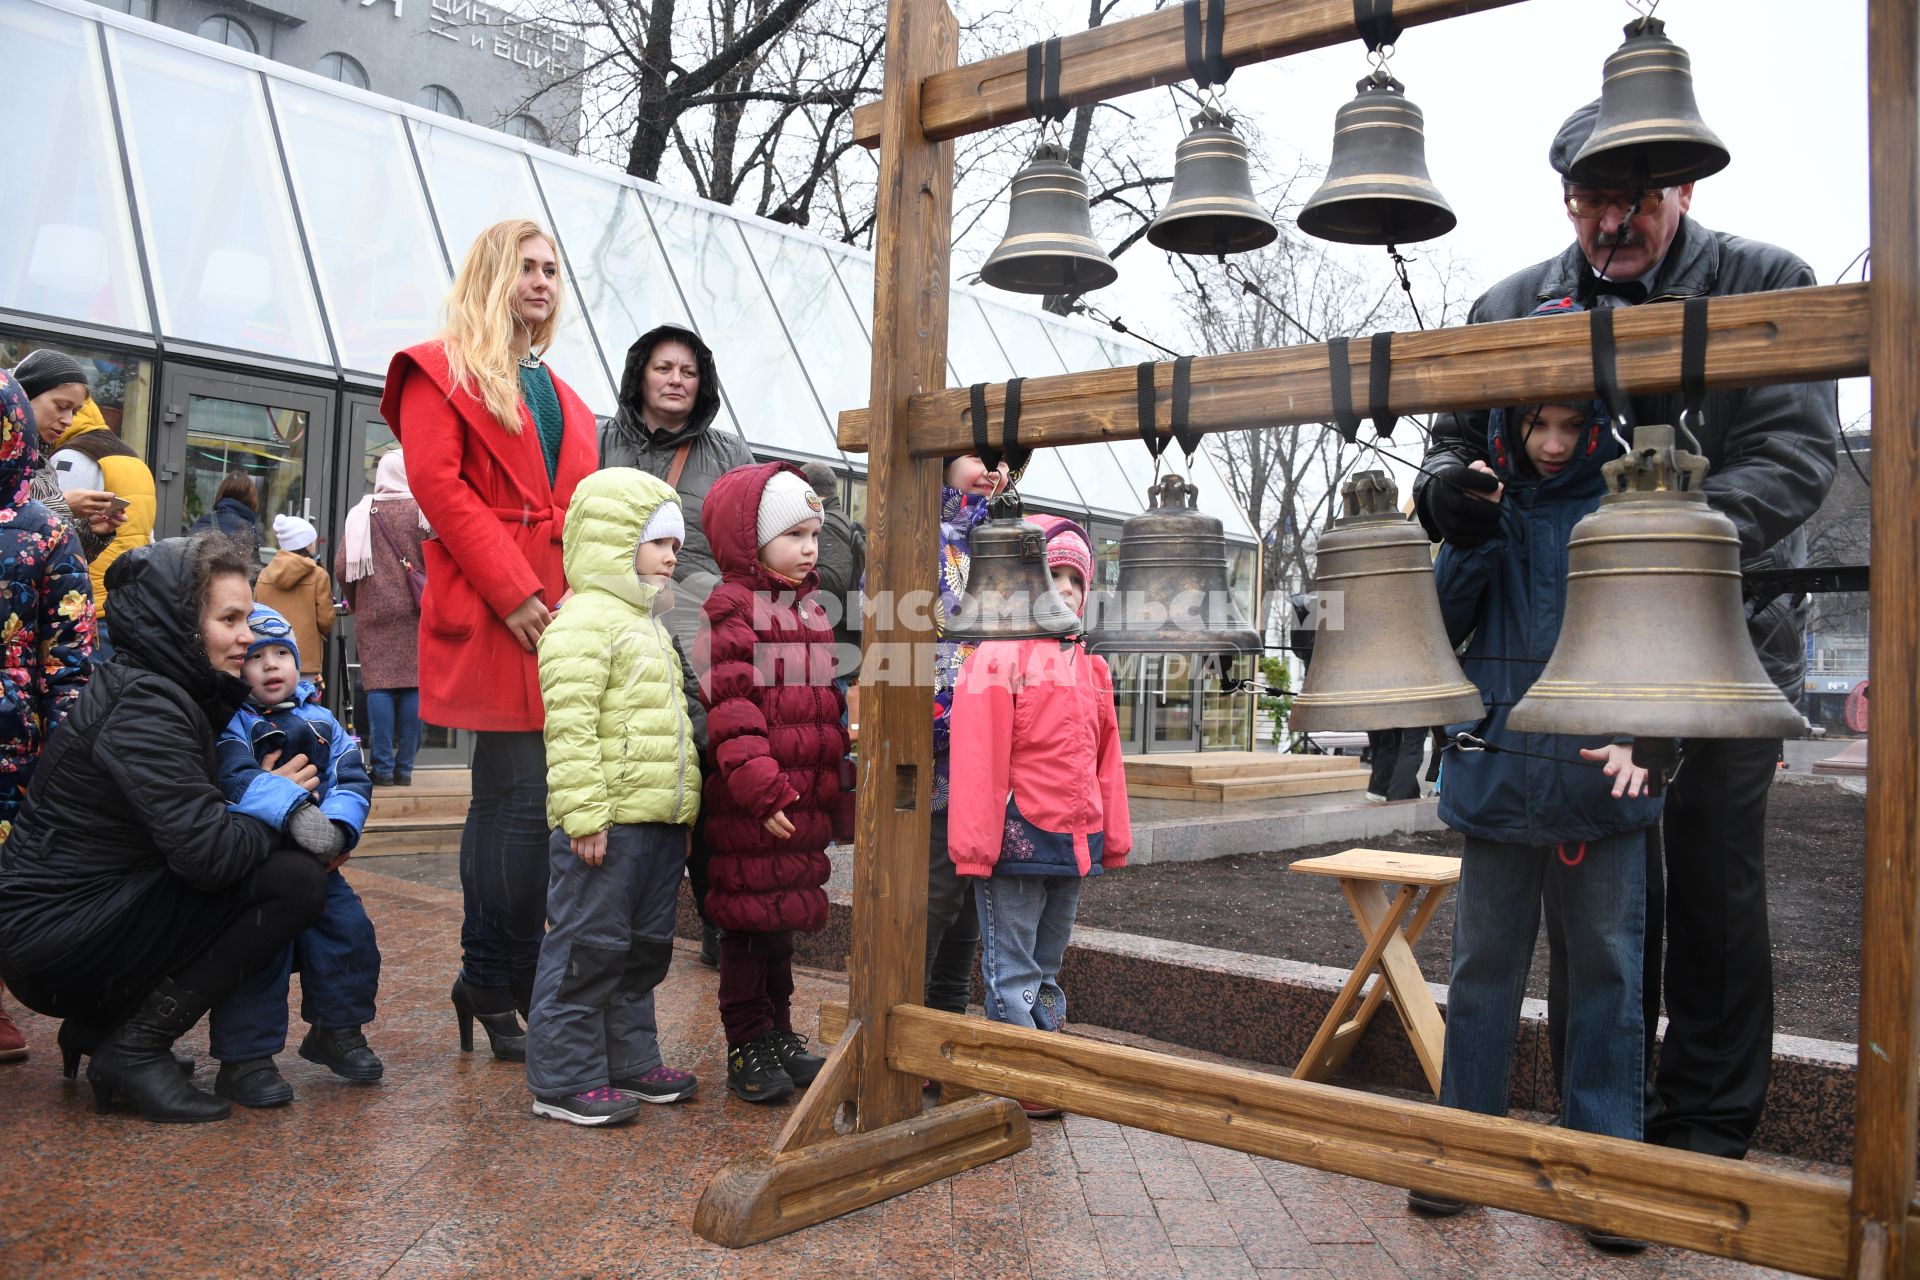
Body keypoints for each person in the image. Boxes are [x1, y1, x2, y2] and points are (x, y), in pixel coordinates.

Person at [1412, 103, 1840, 1161]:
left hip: (1723, 641)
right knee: (1607, 892)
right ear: (1567, 201)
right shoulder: (1510, 307)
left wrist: (1659, 545)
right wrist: (1441, 495)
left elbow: (1793, 453)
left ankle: (1699, 1122)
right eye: (1594, 200)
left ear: (1686, 187)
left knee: (1710, 881)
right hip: (1564, 656)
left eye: (1638, 199)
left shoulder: (1769, 284)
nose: (1615, 222)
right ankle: (1607, 1116)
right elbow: (1453, 439)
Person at [1412, 371, 1664, 1253]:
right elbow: (1440, 627)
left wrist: (1648, 739)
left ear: (1599, 428)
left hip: (1605, 779)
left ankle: (1605, 1170)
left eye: (1570, 425)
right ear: (1509, 427)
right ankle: (1465, 1146)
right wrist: (1471, 535)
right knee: (1481, 972)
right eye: (1536, 427)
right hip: (1500, 776)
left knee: (1606, 978)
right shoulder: (1488, 504)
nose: (1552, 444)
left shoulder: (1626, 513)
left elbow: (1659, 641)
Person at [0, 535, 330, 1122]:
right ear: (179, 623)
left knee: (275, 871)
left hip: (67, 924)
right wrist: (272, 802)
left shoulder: (164, 688)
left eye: (246, 617)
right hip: (54, 945)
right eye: (229, 618)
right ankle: (135, 1046)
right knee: (292, 882)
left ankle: (103, 1027)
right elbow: (211, 857)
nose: (248, 636)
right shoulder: (145, 705)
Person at [383, 218, 597, 1061]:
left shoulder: (558, 389)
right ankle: (499, 973)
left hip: (557, 608)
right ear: (490, 274)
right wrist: (514, 591)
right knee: (514, 798)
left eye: (551, 268)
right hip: (496, 604)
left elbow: (578, 504)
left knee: (521, 800)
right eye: (525, 267)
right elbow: (438, 487)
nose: (542, 282)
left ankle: (497, 974)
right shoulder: (439, 370)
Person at [525, 468, 702, 1126]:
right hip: (607, 825)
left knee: (642, 948)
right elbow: (569, 729)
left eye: (676, 546)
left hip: (654, 820)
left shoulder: (649, 623)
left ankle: (627, 1057)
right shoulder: (583, 622)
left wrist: (680, 812)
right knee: (587, 948)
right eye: (658, 542)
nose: (670, 556)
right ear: (613, 540)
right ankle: (563, 1077)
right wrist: (584, 816)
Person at [947, 514, 1130, 1120]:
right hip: (1018, 837)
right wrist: (976, 846)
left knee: (1046, 964)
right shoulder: (998, 658)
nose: (1065, 590)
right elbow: (980, 759)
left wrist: (1113, 838)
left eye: (1075, 579)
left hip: (1072, 839)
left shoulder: (1090, 667)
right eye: (1052, 576)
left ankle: (1045, 1057)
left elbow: (1107, 762)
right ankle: (1022, 1070)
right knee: (1014, 963)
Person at [694, 462, 852, 1104]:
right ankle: (745, 1038)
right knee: (747, 927)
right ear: (748, 538)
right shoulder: (731, 607)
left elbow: (822, 701)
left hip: (798, 800)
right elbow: (732, 709)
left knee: (781, 922)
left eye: (813, 534)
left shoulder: (811, 609)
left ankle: (780, 1029)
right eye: (793, 535)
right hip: (755, 805)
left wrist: (834, 775)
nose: (810, 547)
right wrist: (761, 787)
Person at [598, 325, 752, 969]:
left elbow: (748, 534)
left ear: (703, 382)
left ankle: (718, 921)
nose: (675, 380)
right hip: (613, 629)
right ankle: (611, 923)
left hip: (696, 632)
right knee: (627, 765)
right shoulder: (597, 439)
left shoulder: (726, 451)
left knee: (709, 767)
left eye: (688, 372)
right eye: (663, 367)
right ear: (641, 373)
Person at [207, 606, 379, 1108]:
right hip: (260, 861)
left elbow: (350, 777)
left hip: (321, 861)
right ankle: (245, 1059)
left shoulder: (321, 718)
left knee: (349, 935)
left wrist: (340, 832)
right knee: (261, 952)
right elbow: (237, 777)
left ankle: (337, 1030)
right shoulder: (232, 721)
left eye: (282, 653)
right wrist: (299, 819)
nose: (271, 665)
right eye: (256, 657)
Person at [0, 368, 96, 1064]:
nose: (65, 418)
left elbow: (71, 653)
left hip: (12, 741)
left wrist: (65, 750)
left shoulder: (41, 527)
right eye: (58, 407)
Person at [924, 453, 1010, 1024]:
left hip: (994, 744)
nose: (993, 469)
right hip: (935, 739)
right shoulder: (918, 534)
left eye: (1003, 462)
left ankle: (948, 1016)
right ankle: (903, 1010)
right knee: (933, 890)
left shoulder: (1010, 541)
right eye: (979, 456)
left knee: (973, 894)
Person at [15, 349, 156, 628]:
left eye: (75, 411)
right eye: (61, 406)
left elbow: (50, 559)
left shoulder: (42, 462)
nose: (68, 419)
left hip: (38, 617)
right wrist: (64, 506)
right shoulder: (29, 459)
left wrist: (93, 532)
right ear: (24, 394)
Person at [336, 449, 428, 787]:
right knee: (413, 684)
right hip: (417, 610)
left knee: (379, 685)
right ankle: (405, 769)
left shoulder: (364, 511)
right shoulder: (422, 510)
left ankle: (383, 769)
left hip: (374, 610)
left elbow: (343, 565)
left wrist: (357, 598)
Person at [253, 514, 335, 690]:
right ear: (306, 544)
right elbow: (326, 622)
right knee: (305, 711)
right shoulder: (319, 576)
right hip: (305, 662)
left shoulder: (264, 575)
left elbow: (254, 615)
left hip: (269, 659)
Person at [800, 460, 865, 683]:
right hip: (842, 648)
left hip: (837, 649)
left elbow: (836, 577)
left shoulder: (828, 524)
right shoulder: (839, 519)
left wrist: (795, 576)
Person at [188, 472, 264, 576]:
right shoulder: (245, 528)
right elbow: (253, 573)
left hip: (197, 588)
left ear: (221, 493)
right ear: (251, 499)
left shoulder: (203, 521)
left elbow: (189, 561)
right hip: (227, 590)